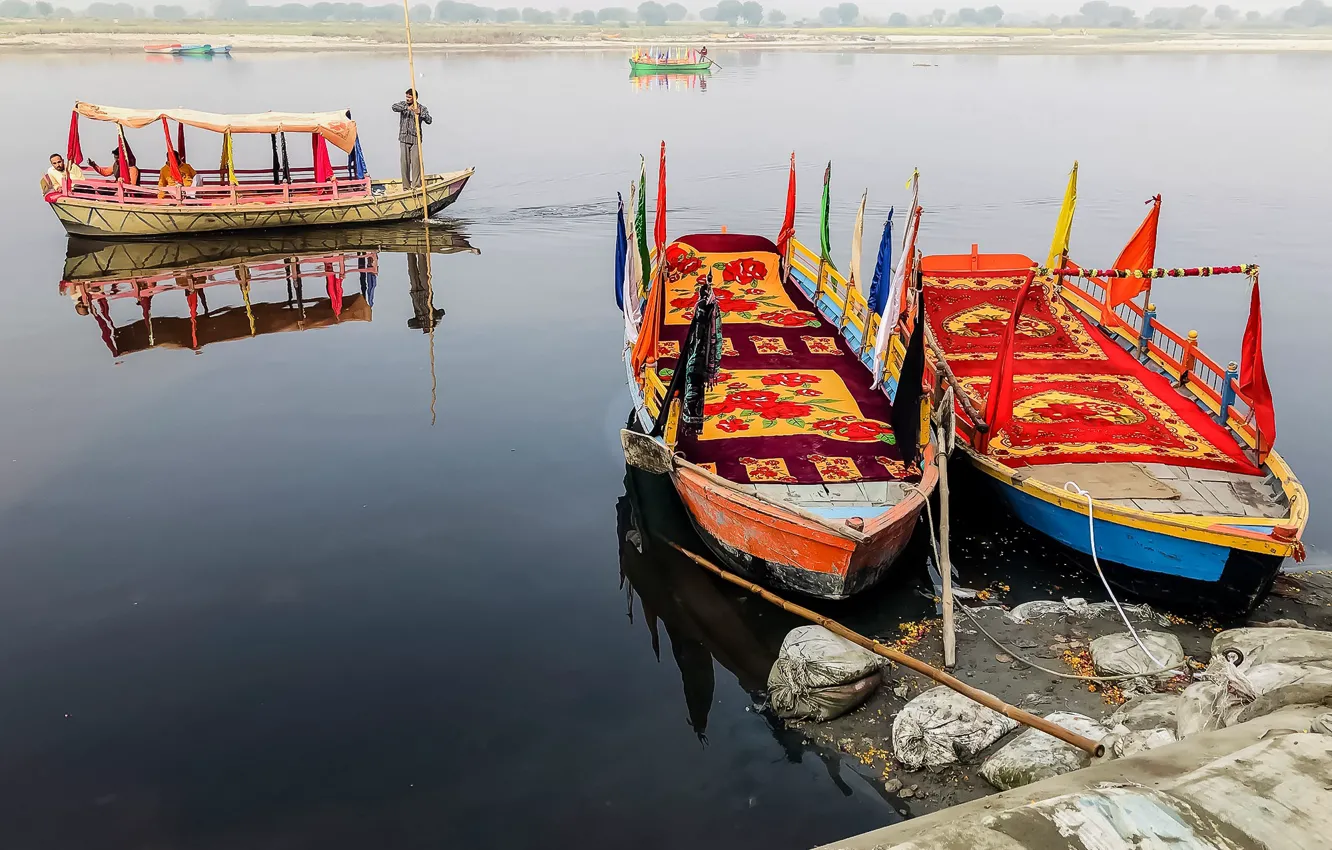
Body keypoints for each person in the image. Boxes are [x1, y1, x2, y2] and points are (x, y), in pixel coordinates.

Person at [392, 88, 432, 190]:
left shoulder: (422, 108)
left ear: (415, 97)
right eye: (407, 97)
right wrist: (406, 108)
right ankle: (406, 187)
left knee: (416, 164)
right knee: (404, 164)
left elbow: (429, 120)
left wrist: (420, 113)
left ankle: (416, 185)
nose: (407, 99)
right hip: (404, 138)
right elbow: (394, 107)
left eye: (409, 97)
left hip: (415, 139)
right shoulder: (403, 105)